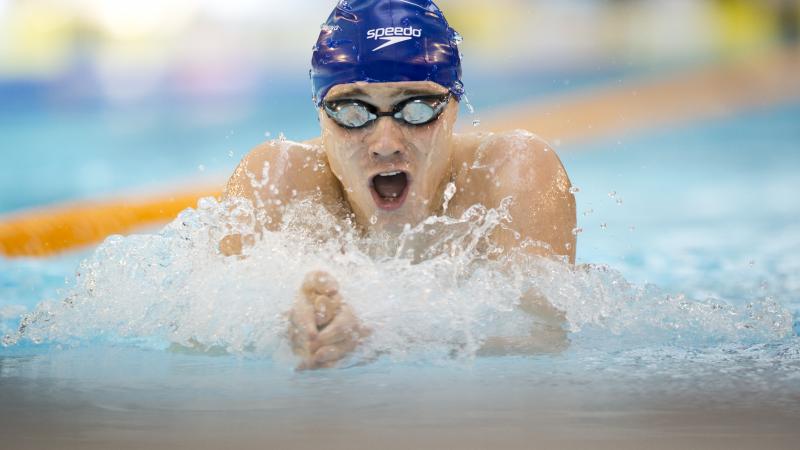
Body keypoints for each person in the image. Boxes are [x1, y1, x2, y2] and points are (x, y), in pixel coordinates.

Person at [222, 0, 576, 369]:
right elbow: (212, 332)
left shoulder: (510, 173)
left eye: (417, 108)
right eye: (353, 111)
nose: (386, 143)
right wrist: (283, 326)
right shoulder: (278, 179)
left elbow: (541, 333)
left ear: (453, 107)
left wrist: (378, 334)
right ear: (320, 115)